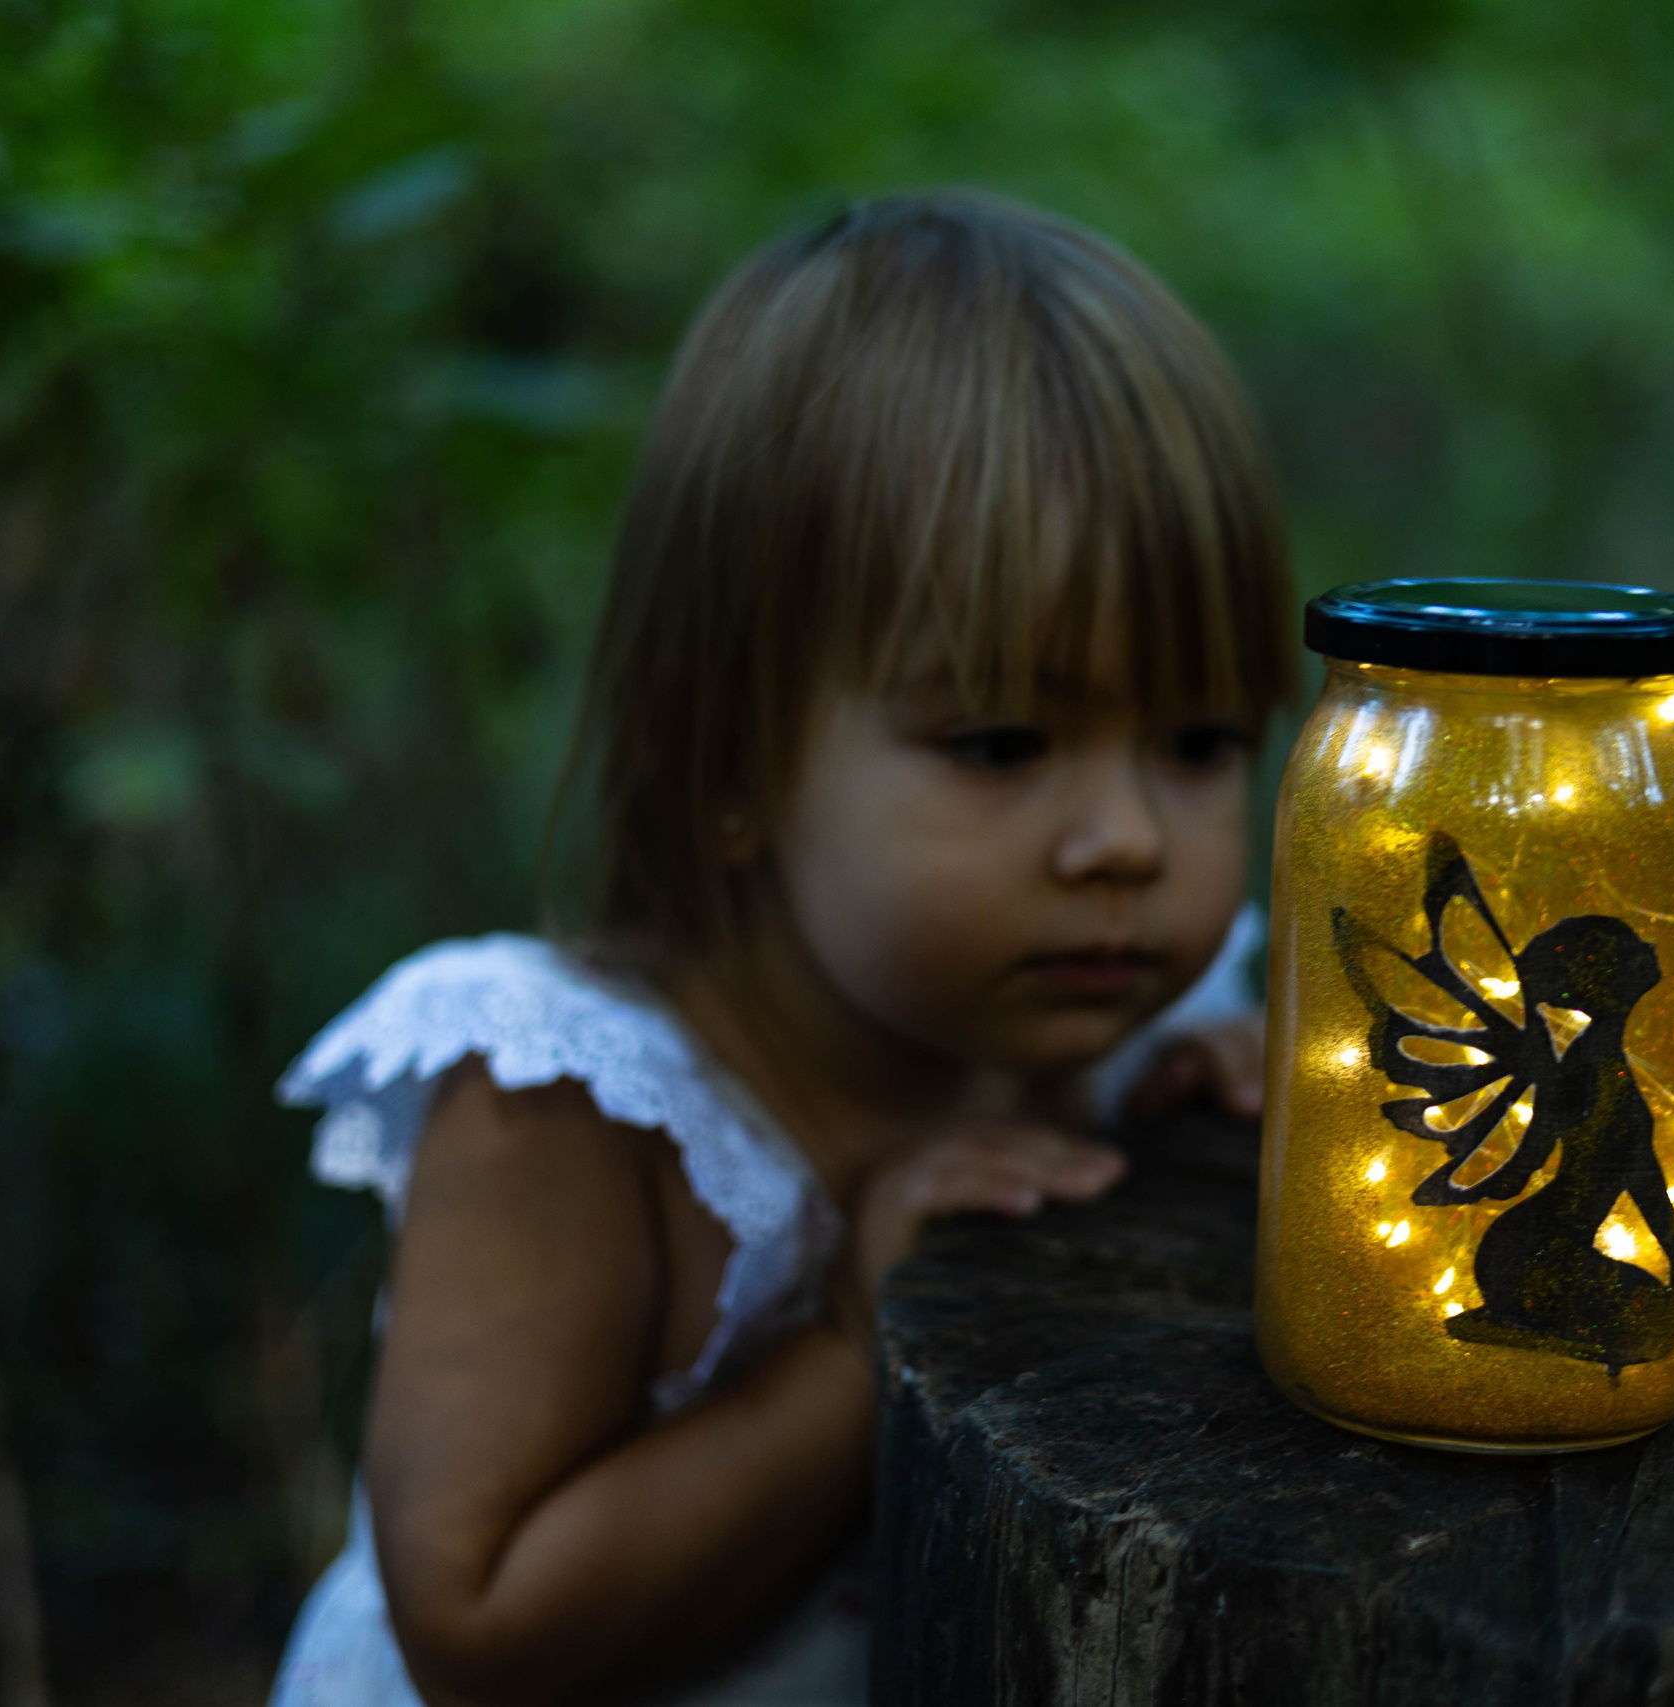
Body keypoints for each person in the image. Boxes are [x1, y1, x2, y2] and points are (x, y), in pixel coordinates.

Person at [267, 189, 1290, 1707]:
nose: (1127, 840)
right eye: (1004, 741)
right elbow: (475, 1626)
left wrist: (1215, 1120)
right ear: (728, 768)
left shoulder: (1105, 1023)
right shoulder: (577, 1106)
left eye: (1201, 742)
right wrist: (854, 1343)